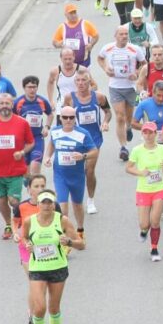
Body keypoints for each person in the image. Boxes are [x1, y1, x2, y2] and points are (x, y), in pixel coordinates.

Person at [23, 190, 86, 324]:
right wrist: (27, 245)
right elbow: (24, 239)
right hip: (37, 269)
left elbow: (82, 245)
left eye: (49, 202)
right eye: (43, 202)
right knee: (39, 307)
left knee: (53, 307)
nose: (46, 205)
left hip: (57, 267)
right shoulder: (30, 222)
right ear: (38, 205)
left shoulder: (62, 221)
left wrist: (70, 241)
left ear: (54, 205)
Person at [0, 93, 35, 240]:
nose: (4, 106)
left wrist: (22, 152)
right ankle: (8, 224)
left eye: (7, 103)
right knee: (2, 201)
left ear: (12, 105)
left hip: (16, 170)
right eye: (2, 103)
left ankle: (19, 221)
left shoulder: (22, 123)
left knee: (13, 200)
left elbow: (31, 142)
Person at [14, 175, 60, 324]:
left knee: (42, 285)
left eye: (42, 186)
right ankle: (33, 316)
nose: (40, 189)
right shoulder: (21, 207)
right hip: (27, 249)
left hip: (48, 250)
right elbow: (16, 222)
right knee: (34, 281)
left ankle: (35, 313)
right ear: (29, 189)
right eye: (36, 186)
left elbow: (61, 225)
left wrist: (66, 244)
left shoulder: (54, 206)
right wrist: (16, 234)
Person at [44, 106, 99, 239]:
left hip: (77, 176)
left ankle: (80, 229)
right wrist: (47, 157)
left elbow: (94, 152)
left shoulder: (83, 134)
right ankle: (65, 236)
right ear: (60, 118)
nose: (68, 120)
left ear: (75, 118)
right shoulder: (55, 131)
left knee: (77, 205)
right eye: (65, 117)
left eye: (71, 117)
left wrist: (83, 156)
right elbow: (52, 144)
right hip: (60, 175)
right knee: (62, 206)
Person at [61, 69, 111, 215]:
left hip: (94, 138)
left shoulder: (99, 97)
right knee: (75, 171)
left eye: (84, 80)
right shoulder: (69, 98)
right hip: (76, 138)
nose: (81, 83)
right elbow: (64, 116)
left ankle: (90, 199)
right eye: (78, 80)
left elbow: (108, 112)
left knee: (89, 171)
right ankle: (76, 198)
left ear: (90, 82)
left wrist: (106, 122)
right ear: (75, 82)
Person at [97, 25, 147, 161]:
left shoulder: (134, 49)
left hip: (131, 87)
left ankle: (129, 127)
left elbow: (144, 64)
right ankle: (123, 147)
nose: (124, 36)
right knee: (120, 116)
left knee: (129, 118)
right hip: (115, 86)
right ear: (115, 36)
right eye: (121, 34)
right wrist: (105, 68)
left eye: (126, 34)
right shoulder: (107, 48)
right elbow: (100, 58)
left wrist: (137, 73)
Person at [126, 122, 163, 260]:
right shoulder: (137, 150)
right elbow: (128, 168)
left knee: (155, 221)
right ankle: (144, 231)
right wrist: (140, 172)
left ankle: (154, 249)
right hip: (143, 190)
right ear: (142, 134)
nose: (148, 135)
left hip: (159, 188)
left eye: (150, 132)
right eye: (145, 132)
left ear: (155, 134)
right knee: (144, 223)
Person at [14, 76, 54, 175]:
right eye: (29, 87)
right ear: (24, 88)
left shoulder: (42, 101)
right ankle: (29, 185)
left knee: (35, 167)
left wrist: (46, 127)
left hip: (37, 138)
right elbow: (11, 118)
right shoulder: (18, 102)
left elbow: (50, 114)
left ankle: (35, 186)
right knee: (26, 174)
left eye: (34, 87)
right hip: (22, 140)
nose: (32, 90)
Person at [47, 49, 96, 116]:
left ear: (74, 57)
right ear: (61, 58)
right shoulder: (55, 71)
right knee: (62, 126)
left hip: (79, 106)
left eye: (70, 59)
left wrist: (85, 93)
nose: (68, 61)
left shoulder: (82, 70)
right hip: (62, 107)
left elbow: (94, 85)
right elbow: (50, 82)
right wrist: (51, 100)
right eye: (65, 59)